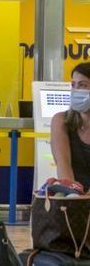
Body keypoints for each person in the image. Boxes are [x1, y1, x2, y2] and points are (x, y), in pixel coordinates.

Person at [51, 62, 90, 190]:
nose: (76, 90)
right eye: (73, 85)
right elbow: (63, 164)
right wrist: (73, 194)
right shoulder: (61, 121)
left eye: (82, 85)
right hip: (76, 199)